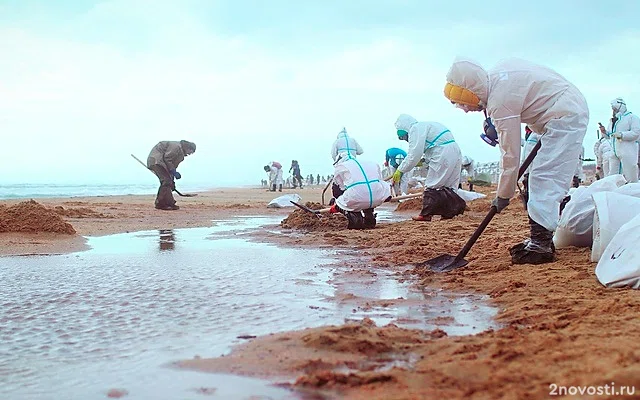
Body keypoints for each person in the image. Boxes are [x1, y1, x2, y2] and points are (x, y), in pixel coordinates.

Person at [444, 56, 589, 264]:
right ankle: (540, 237)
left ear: (472, 92)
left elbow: (510, 154)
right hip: (556, 111)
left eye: (465, 103)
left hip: (565, 114)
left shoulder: (500, 99)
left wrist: (503, 194)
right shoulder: (494, 80)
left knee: (545, 177)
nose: (466, 110)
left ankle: (541, 244)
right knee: (536, 177)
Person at [393, 114, 466, 222]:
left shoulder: (415, 129)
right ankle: (451, 212)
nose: (406, 140)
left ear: (406, 130)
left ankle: (426, 214)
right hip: (454, 151)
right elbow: (427, 149)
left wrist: (400, 170)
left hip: (442, 153)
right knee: (449, 185)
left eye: (405, 137)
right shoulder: (427, 126)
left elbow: (414, 154)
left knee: (433, 184)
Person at [329, 155, 391, 229]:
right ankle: (369, 213)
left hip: (358, 198)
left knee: (347, 196)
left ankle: (354, 215)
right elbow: (379, 179)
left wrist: (339, 204)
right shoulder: (370, 163)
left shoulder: (341, 167)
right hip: (378, 198)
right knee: (369, 189)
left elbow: (339, 188)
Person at [146, 140, 196, 210]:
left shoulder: (180, 153)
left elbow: (172, 166)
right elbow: (167, 159)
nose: (189, 154)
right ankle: (160, 204)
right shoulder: (176, 146)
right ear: (188, 147)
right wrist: (173, 171)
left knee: (168, 182)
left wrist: (172, 178)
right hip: (156, 161)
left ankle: (169, 203)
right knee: (166, 181)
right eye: (190, 152)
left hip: (162, 163)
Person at [599, 98, 640, 183]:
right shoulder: (613, 120)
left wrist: (621, 135)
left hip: (628, 150)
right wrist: (604, 132)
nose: (613, 110)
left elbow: (636, 133)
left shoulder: (632, 118)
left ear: (620, 106)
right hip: (614, 151)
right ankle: (615, 193)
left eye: (614, 108)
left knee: (630, 174)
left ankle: (633, 192)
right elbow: (611, 135)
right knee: (613, 176)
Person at [519, 126, 541, 207]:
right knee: (526, 185)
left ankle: (533, 206)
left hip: (533, 166)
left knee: (533, 187)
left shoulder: (538, 134)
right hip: (526, 167)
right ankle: (528, 205)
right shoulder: (530, 136)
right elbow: (525, 146)